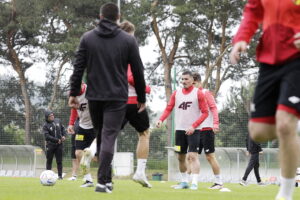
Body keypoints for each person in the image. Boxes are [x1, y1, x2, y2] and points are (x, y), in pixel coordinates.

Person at [69, 2, 146, 193]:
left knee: (101, 134)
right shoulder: (128, 41)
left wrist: (73, 93)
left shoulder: (87, 38)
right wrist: (141, 97)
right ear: (118, 17)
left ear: (100, 16)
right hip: (117, 97)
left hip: (94, 96)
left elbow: (78, 68)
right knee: (108, 135)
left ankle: (106, 180)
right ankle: (103, 182)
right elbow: (138, 71)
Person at [229, 1, 300, 199]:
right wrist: (241, 38)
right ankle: (295, 122)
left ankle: (285, 194)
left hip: (297, 57)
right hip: (269, 58)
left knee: (285, 125)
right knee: (259, 132)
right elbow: (253, 11)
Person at [156, 70, 208, 190]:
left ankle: (194, 183)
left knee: (193, 156)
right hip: (179, 131)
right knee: (180, 157)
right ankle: (184, 182)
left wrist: (193, 126)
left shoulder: (198, 93)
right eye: (182, 79)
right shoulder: (176, 93)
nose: (184, 81)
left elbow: (205, 113)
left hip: (194, 131)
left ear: (192, 80)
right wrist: (161, 119)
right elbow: (169, 108)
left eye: (186, 79)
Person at [119, 20, 152, 188]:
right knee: (144, 133)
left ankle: (92, 150)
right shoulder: (130, 50)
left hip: (114, 100)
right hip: (132, 101)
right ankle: (140, 172)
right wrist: (146, 89)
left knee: (107, 133)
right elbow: (131, 77)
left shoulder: (111, 51)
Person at [192, 72, 223, 189]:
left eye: (194, 83)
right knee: (191, 156)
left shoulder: (205, 93)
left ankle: (219, 182)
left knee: (209, 156)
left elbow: (214, 108)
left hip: (207, 129)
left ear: (199, 82)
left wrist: (215, 123)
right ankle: (186, 181)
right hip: (196, 130)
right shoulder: (191, 96)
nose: (192, 86)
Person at [67, 82, 96, 187]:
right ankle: (88, 180)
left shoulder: (91, 90)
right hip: (82, 127)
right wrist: (71, 124)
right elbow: (74, 109)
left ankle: (107, 176)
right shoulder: (72, 94)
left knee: (96, 159)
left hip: (94, 127)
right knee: (78, 153)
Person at [42, 110, 66, 179]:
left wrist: (64, 136)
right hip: (50, 145)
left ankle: (60, 176)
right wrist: (56, 140)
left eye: (52, 115)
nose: (52, 116)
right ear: (47, 117)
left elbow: (63, 129)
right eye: (50, 116)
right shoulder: (45, 125)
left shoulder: (58, 120)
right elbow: (47, 136)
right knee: (49, 161)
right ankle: (47, 176)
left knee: (59, 161)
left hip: (59, 145)